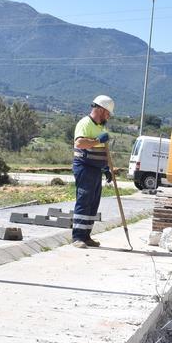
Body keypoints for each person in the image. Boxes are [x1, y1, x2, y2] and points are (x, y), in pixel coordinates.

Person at [71, 95, 115, 249]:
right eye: (108, 113)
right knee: (84, 201)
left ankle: (86, 235)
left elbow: (102, 149)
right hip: (84, 167)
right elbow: (80, 143)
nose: (108, 117)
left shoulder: (100, 127)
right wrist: (98, 141)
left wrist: (106, 168)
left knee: (93, 203)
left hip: (96, 169)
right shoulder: (85, 123)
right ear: (101, 110)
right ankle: (77, 237)